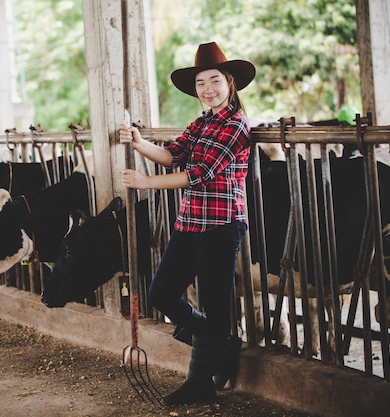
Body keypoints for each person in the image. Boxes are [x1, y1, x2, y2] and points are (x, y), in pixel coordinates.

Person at [118, 41, 255, 406]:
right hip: (190, 220)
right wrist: (139, 142)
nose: (207, 90)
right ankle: (216, 342)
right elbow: (171, 156)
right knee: (160, 292)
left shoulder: (237, 125)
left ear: (230, 83)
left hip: (221, 224)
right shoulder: (200, 123)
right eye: (200, 84)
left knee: (213, 303)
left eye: (214, 81)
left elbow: (200, 172)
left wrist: (145, 183)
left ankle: (200, 383)